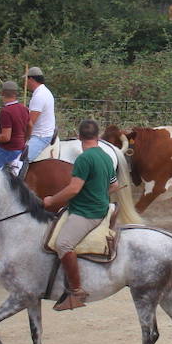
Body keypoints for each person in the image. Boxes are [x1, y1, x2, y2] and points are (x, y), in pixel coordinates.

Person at [42, 119, 118, 311]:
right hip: (99, 206)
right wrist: (97, 191)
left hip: (87, 212)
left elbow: (73, 189)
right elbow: (114, 185)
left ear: (79, 137)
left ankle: (77, 292)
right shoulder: (106, 156)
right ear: (98, 136)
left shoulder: (84, 159)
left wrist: (51, 201)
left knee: (63, 244)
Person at [24, 66, 57, 162]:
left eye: (27, 79)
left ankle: (18, 177)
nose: (26, 83)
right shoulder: (43, 92)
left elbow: (30, 123)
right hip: (41, 133)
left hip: (40, 136)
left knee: (20, 161)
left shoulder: (39, 95)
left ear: (31, 79)